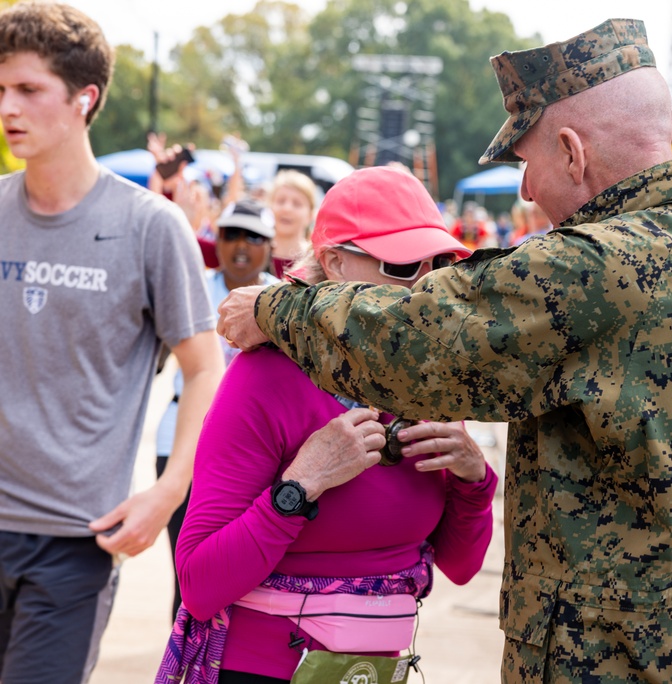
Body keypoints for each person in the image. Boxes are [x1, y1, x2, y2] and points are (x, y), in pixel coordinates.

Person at [218, 19, 672, 682]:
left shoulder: (594, 267)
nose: (526, 191)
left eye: (528, 163)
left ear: (572, 152)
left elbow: (420, 340)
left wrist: (274, 307)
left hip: (622, 660)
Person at [157, 165, 497, 684]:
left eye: (439, 265)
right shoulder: (264, 377)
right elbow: (200, 582)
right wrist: (301, 485)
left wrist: (474, 480)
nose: (426, 287)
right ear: (336, 263)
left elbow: (459, 565)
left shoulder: (427, 383)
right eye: (404, 266)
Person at [0, 4, 224, 684]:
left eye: (28, 89)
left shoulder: (150, 228)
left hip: (75, 540)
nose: (7, 106)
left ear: (84, 99)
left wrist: (166, 492)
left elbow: (205, 369)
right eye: (1, 87)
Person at [155, 198, 280, 619]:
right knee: (188, 571)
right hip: (182, 438)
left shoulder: (284, 301)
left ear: (270, 245)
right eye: (230, 234)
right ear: (217, 240)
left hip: (251, 451)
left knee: (241, 575)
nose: (241, 245)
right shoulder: (190, 284)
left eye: (253, 236)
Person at [267, 169, 317, 279]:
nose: (287, 209)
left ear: (310, 215)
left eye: (297, 204)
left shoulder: (317, 264)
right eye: (281, 201)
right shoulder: (255, 253)